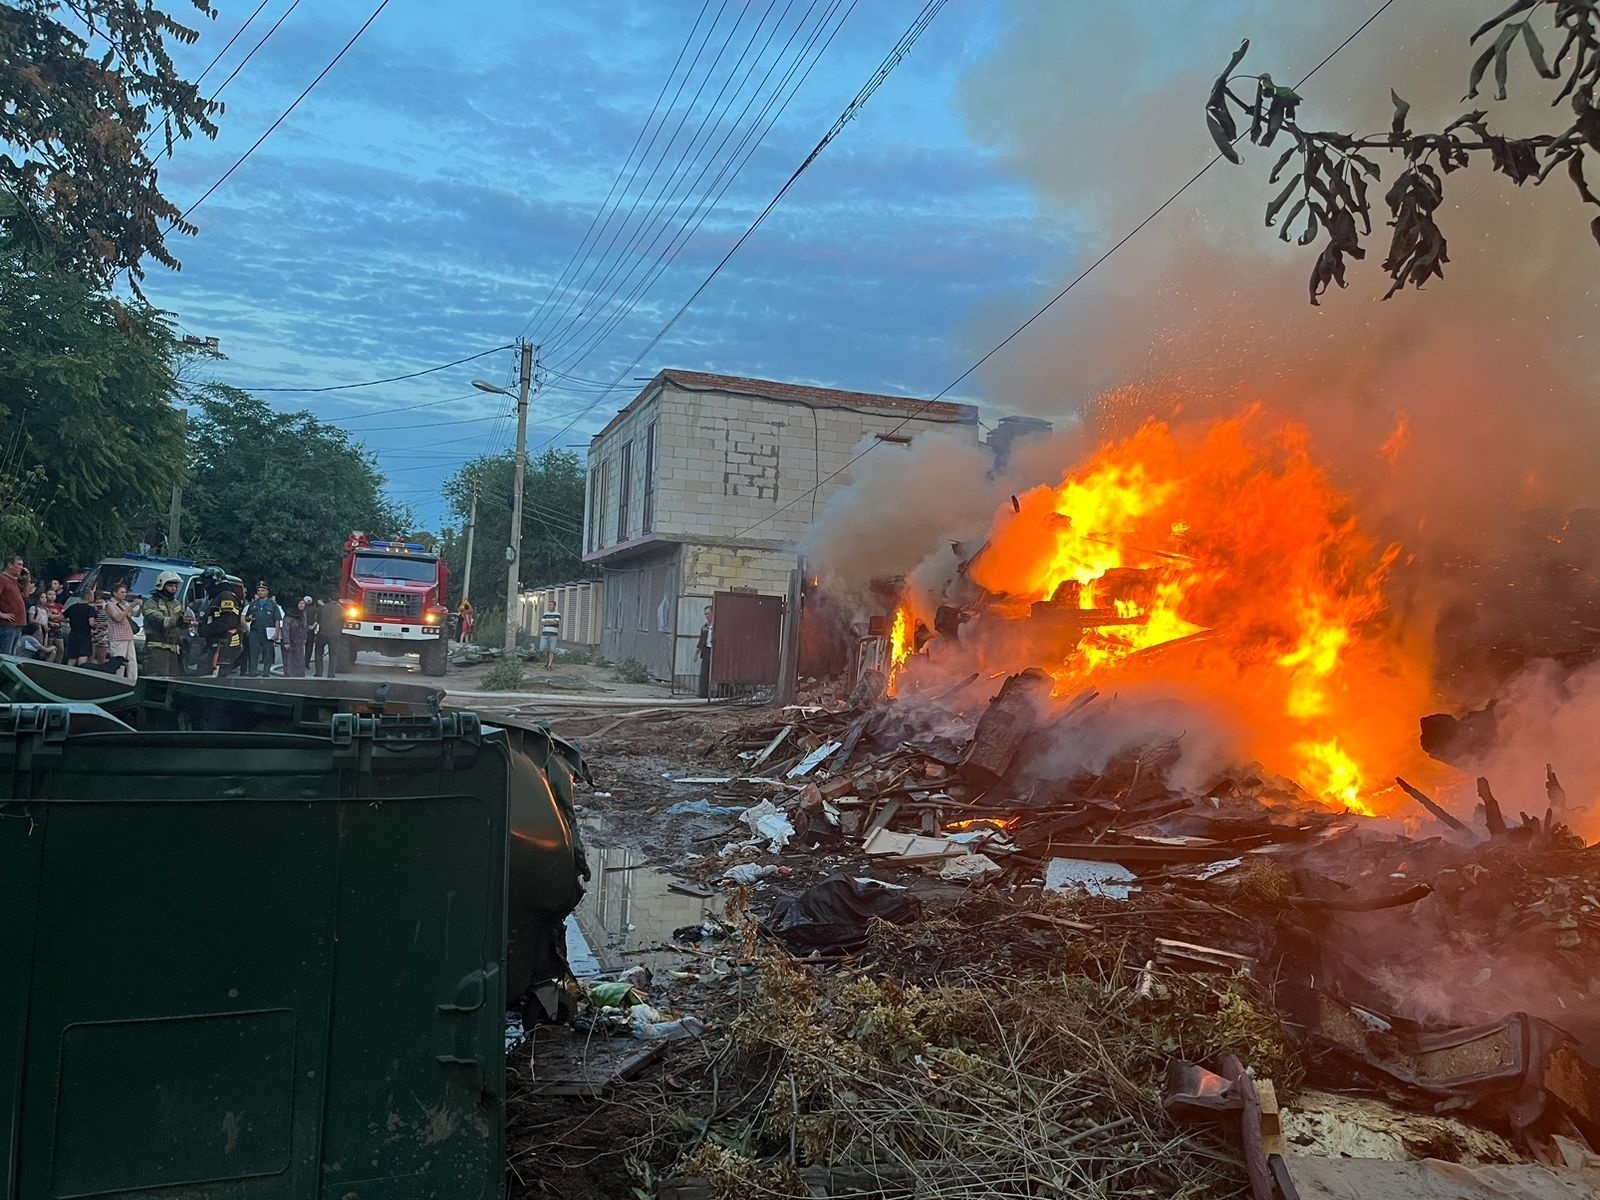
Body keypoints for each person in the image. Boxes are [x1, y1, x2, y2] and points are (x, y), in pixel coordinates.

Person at [142, 571, 187, 677]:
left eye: (175, 586)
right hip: (156, 649)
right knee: (158, 680)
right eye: (170, 586)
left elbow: (181, 622)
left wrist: (186, 623)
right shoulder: (151, 603)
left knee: (173, 680)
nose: (173, 589)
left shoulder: (176, 604)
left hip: (173, 649)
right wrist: (177, 621)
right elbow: (158, 621)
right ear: (161, 585)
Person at [102, 583, 142, 682]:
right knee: (118, 662)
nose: (124, 594)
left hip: (128, 635)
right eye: (122, 592)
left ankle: (133, 680)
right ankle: (117, 681)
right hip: (117, 636)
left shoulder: (125, 604)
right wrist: (130, 606)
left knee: (132, 660)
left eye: (125, 592)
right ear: (115, 593)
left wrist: (140, 606)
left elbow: (135, 615)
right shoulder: (109, 605)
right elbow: (118, 618)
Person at [242, 582, 279, 676]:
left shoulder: (273, 605)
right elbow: (246, 617)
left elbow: (277, 620)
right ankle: (253, 671)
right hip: (255, 631)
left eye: (262, 590)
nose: (260, 592)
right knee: (253, 652)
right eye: (258, 590)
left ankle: (266, 671)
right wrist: (249, 618)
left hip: (268, 631)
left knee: (268, 652)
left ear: (267, 592)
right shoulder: (253, 604)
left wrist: (276, 633)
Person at [206, 594, 246, 676]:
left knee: (224, 665)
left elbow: (227, 621)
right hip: (218, 640)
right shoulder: (216, 600)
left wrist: (208, 629)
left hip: (225, 641)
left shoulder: (225, 597)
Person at [0, 554, 26, 656]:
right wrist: (1, 614)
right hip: (7, 625)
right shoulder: (2, 579)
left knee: (11, 656)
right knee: (5, 657)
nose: (21, 568)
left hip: (17, 625)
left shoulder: (14, 581)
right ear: (10, 565)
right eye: (19, 564)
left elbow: (25, 594)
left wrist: (27, 579)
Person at [63, 588, 97, 666]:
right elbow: (91, 623)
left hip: (73, 634)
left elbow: (62, 617)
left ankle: (68, 674)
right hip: (84, 635)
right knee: (82, 657)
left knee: (72, 657)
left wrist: (69, 621)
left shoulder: (73, 607)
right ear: (89, 597)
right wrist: (98, 625)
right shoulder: (90, 609)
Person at [281, 599, 307, 678]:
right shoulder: (289, 616)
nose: (302, 605)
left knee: (299, 660)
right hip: (290, 642)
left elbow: (304, 627)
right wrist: (286, 642)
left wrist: (305, 638)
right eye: (300, 603)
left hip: (299, 641)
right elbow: (285, 629)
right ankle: (289, 678)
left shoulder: (302, 614)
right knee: (289, 661)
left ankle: (299, 677)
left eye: (303, 603)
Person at [695, 604, 714, 699]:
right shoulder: (705, 627)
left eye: (708, 613)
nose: (707, 616)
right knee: (704, 672)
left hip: (716, 651)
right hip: (706, 650)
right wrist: (697, 653)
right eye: (705, 614)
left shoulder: (718, 626)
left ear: (713, 613)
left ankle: (721, 692)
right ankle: (703, 693)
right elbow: (701, 640)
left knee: (716, 672)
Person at [539, 601, 562, 669]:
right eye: (549, 605)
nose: (550, 606)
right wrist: (552, 622)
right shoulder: (545, 613)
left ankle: (549, 665)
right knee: (542, 648)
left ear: (554, 606)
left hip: (553, 634)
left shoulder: (558, 614)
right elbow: (542, 622)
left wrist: (547, 622)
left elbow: (556, 622)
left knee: (552, 650)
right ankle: (546, 660)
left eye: (551, 605)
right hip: (545, 633)